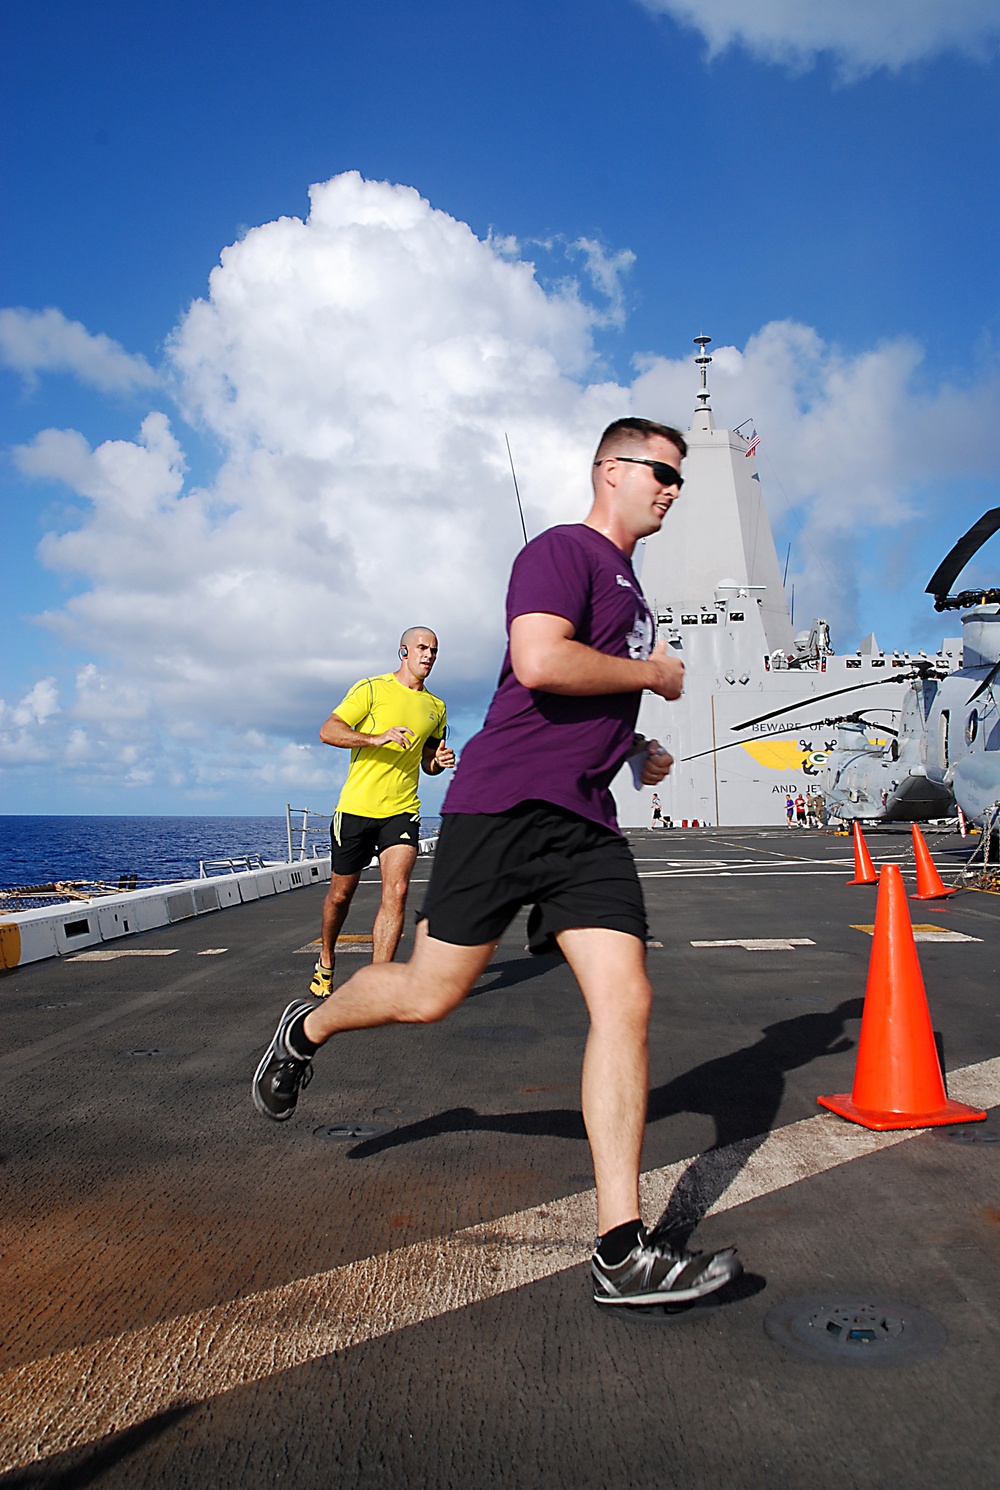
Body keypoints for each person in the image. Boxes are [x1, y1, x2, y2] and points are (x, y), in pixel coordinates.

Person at [253, 418, 741, 1309]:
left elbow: (590, 701)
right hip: (504, 806)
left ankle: (620, 1249)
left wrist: (637, 753)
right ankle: (305, 1029)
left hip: (585, 825)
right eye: (662, 471)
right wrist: (652, 679)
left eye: (681, 478)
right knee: (429, 993)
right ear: (610, 470)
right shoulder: (564, 551)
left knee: (626, 998)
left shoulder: (634, 595)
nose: (673, 487)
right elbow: (541, 660)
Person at [308, 627, 455, 998]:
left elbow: (427, 764)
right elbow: (329, 730)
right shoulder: (371, 689)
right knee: (341, 896)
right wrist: (376, 738)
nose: (428, 655)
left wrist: (439, 761)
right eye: (422, 648)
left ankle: (377, 986)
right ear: (403, 652)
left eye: (434, 650)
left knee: (398, 890)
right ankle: (326, 958)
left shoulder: (436, 707)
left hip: (402, 810)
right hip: (356, 810)